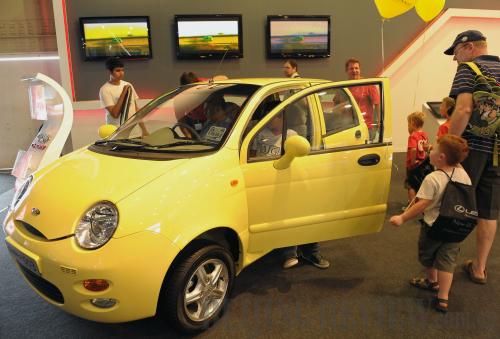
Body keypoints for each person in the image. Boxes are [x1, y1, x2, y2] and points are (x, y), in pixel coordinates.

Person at [390, 134, 471, 313]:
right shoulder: (464, 174)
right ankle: (443, 298)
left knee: (428, 255)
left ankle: (431, 281)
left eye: (433, 148)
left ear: (441, 157)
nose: (429, 150)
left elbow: (422, 204)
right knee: (448, 262)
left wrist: (402, 218)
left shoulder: (433, 178)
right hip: (455, 228)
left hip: (433, 227)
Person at [446, 30, 500, 284]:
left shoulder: (469, 68)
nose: (455, 59)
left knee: (454, 204)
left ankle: (442, 267)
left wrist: (449, 145)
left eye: (455, 53)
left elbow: (464, 108)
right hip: (498, 151)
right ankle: (479, 268)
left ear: (467, 47)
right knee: (488, 211)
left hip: (472, 149)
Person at [345, 58, 381, 141]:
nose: (354, 70)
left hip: (366, 127)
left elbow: (377, 104)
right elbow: (337, 104)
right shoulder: (343, 86)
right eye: (351, 68)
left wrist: (380, 121)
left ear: (360, 70)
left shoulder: (368, 84)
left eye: (356, 68)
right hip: (348, 128)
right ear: (347, 71)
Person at [99, 57, 139, 127]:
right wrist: (123, 92)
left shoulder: (128, 84)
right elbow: (115, 114)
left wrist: (144, 129)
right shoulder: (104, 90)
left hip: (133, 129)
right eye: (117, 71)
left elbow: (136, 110)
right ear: (110, 72)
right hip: (116, 131)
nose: (121, 73)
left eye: (122, 70)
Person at [405, 111, 430, 205]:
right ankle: (419, 203)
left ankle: (412, 205)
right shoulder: (424, 134)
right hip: (422, 163)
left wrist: (411, 162)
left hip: (414, 164)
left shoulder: (413, 136)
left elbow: (413, 150)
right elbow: (425, 147)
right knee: (419, 183)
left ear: (412, 123)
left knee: (410, 185)